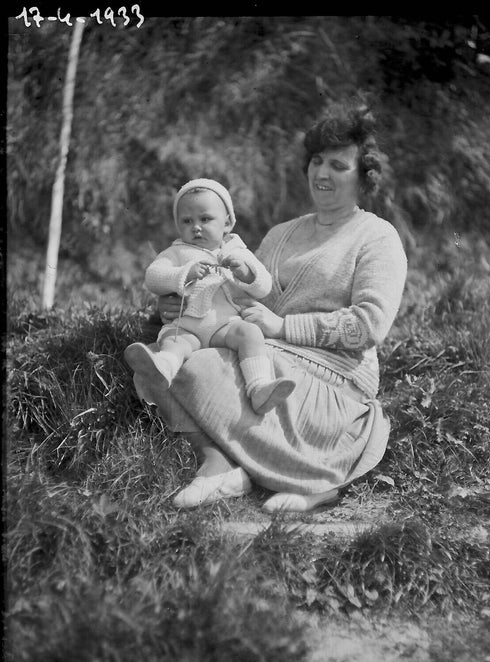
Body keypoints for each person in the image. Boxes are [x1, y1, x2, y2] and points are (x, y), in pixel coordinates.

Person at [133, 98, 408, 512]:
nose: (323, 173)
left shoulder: (377, 236)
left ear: (364, 177)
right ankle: (221, 463)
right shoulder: (281, 234)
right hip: (268, 353)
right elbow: (236, 297)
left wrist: (282, 328)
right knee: (177, 361)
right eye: (317, 161)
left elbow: (369, 325)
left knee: (210, 365)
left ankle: (315, 476)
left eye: (339, 165)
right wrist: (176, 306)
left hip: (335, 375)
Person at [125, 178, 295, 415]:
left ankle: (259, 388)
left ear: (227, 223)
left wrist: (246, 274)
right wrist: (184, 273)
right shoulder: (177, 252)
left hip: (224, 326)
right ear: (177, 225)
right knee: (174, 343)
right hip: (186, 327)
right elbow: (153, 277)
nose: (196, 227)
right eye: (187, 221)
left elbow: (264, 286)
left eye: (205, 219)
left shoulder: (237, 252)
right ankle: (162, 369)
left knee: (250, 333)